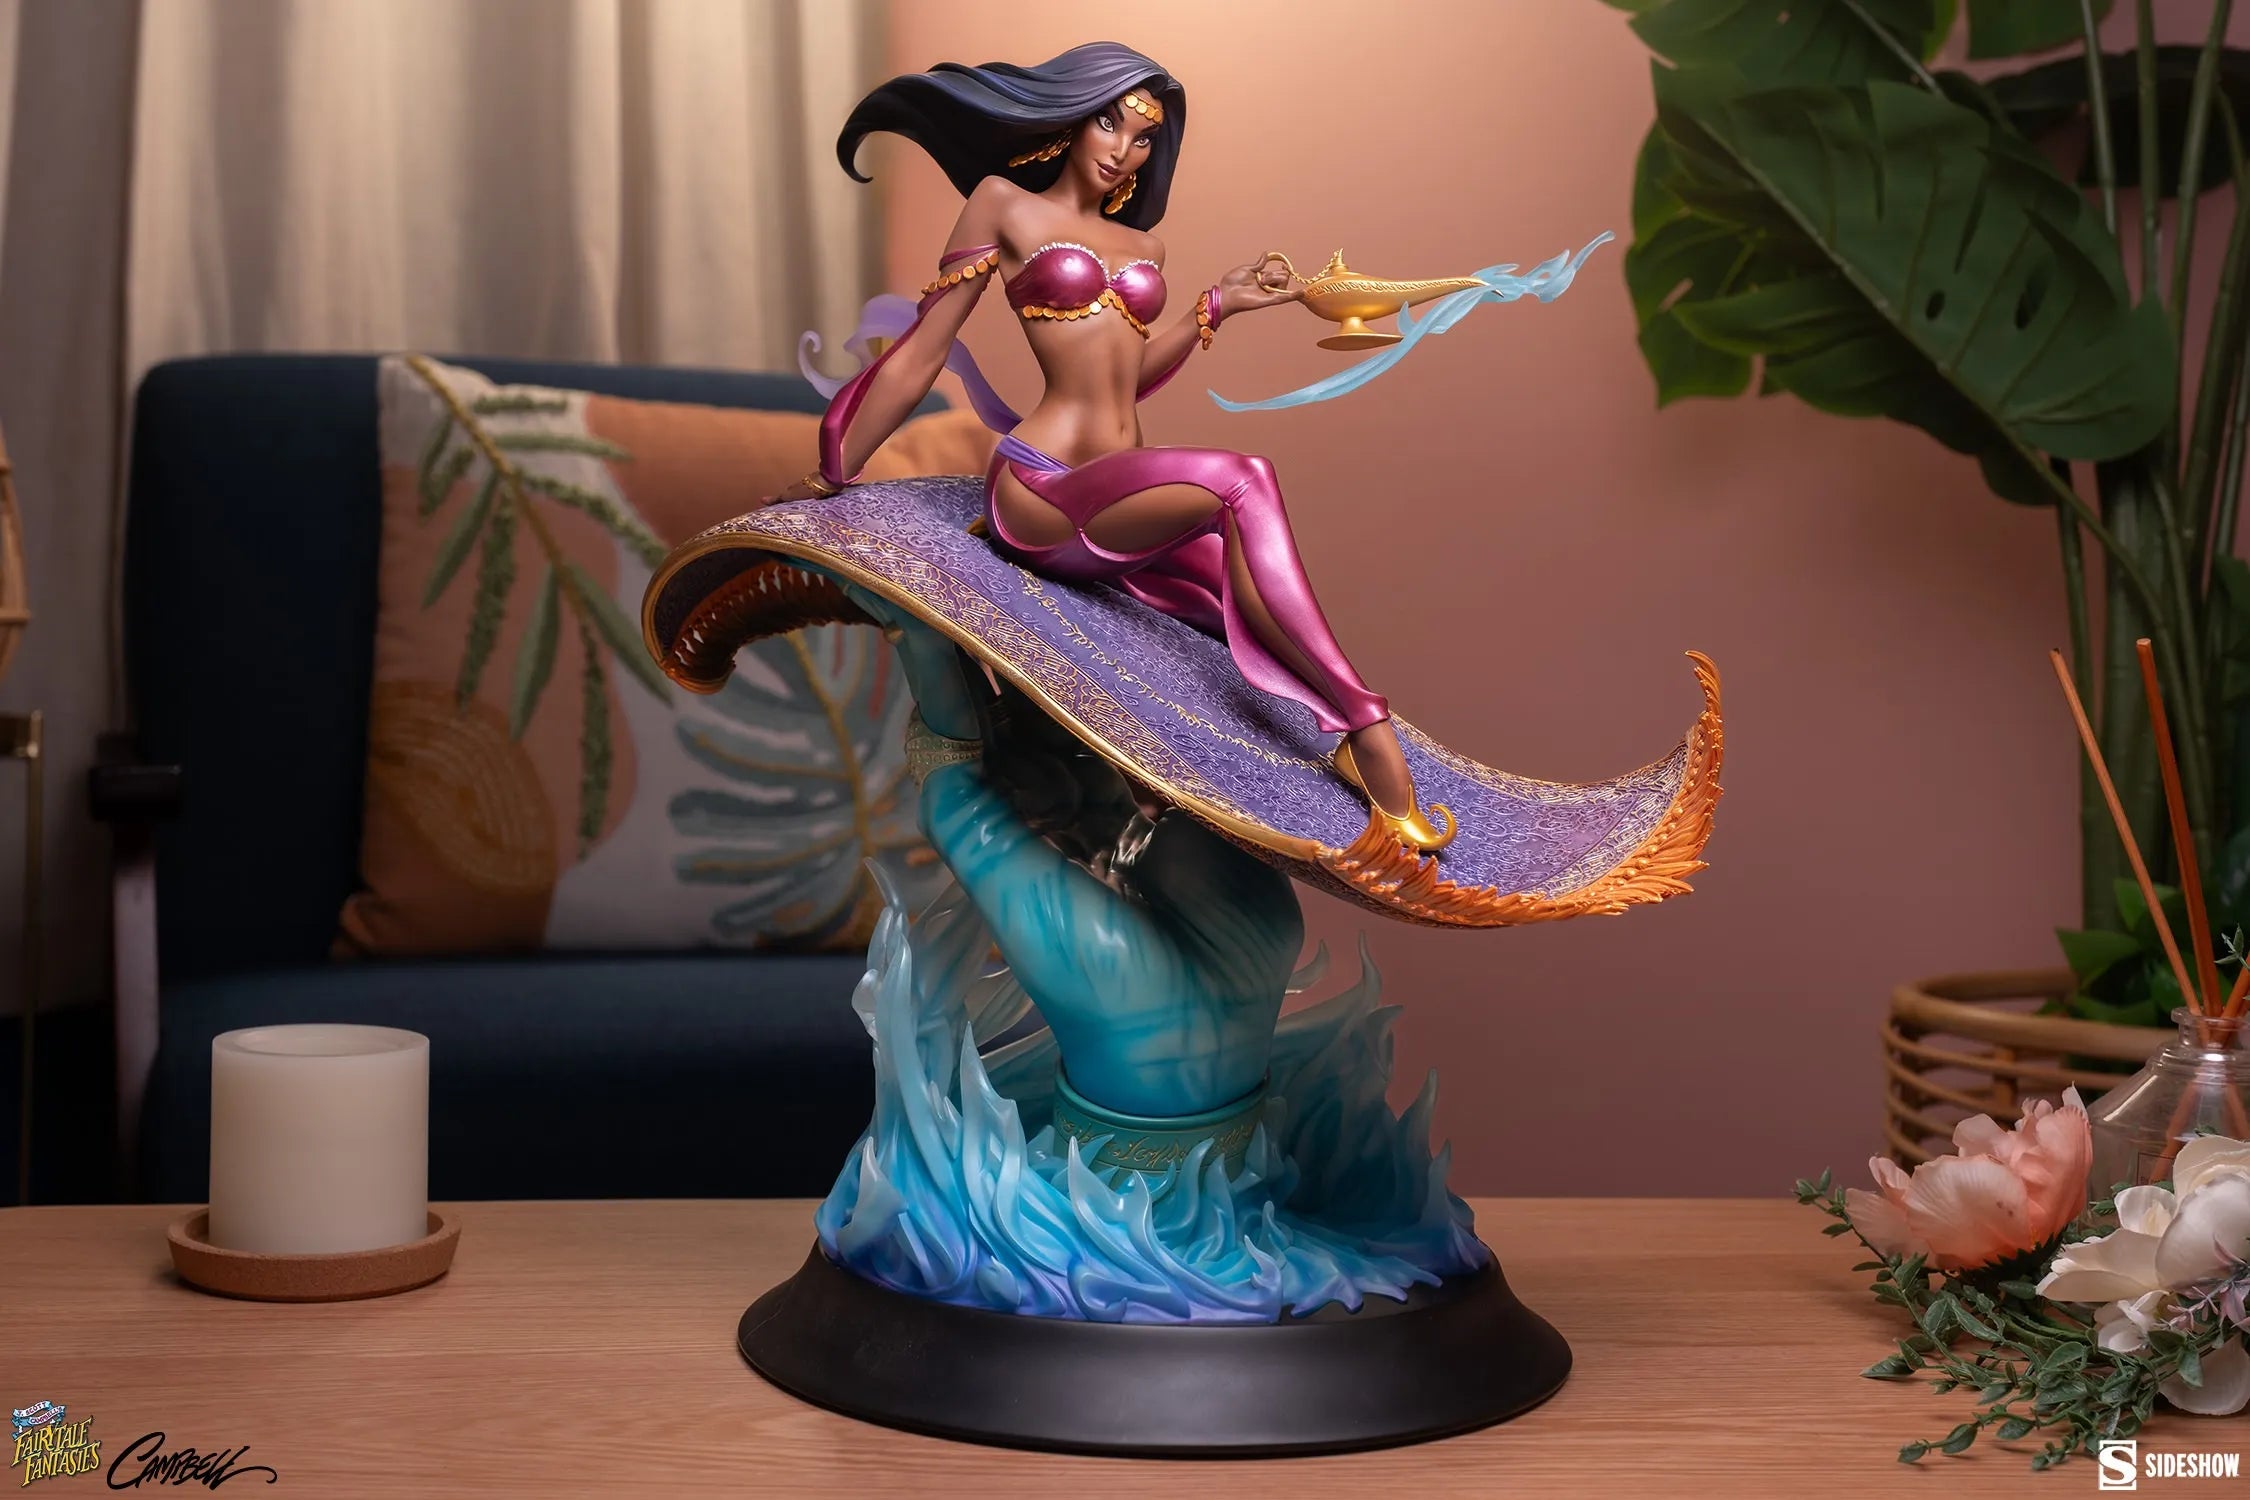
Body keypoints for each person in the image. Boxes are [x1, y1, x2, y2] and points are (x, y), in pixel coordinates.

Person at [774, 41, 1453, 853]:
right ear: (1070, 120)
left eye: (1142, 137)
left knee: (1241, 591)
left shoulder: (1145, 249)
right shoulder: (1001, 203)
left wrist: (1215, 306)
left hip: (1115, 496)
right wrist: (834, 467)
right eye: (1108, 122)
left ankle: (1321, 738)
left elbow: (1124, 382)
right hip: (1041, 489)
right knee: (1242, 479)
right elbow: (924, 350)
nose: (1122, 148)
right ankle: (1368, 729)